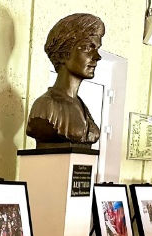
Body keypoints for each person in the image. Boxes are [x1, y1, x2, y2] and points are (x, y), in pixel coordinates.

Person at [26, 14, 105, 147]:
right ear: (63, 53)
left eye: (96, 48)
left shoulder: (81, 105)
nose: (97, 57)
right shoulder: (45, 107)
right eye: (87, 48)